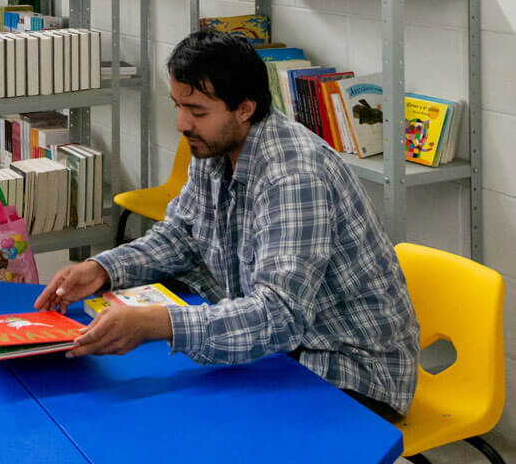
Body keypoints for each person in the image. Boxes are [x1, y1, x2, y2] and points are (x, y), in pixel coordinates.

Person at [37, 29, 420, 418]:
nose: (182, 124)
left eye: (198, 112)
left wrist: (158, 323)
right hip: (290, 347)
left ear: (245, 108)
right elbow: (181, 235)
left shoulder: (294, 176)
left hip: (348, 368)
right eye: (179, 107)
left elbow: (279, 315)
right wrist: (102, 269)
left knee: (194, 421)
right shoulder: (215, 147)